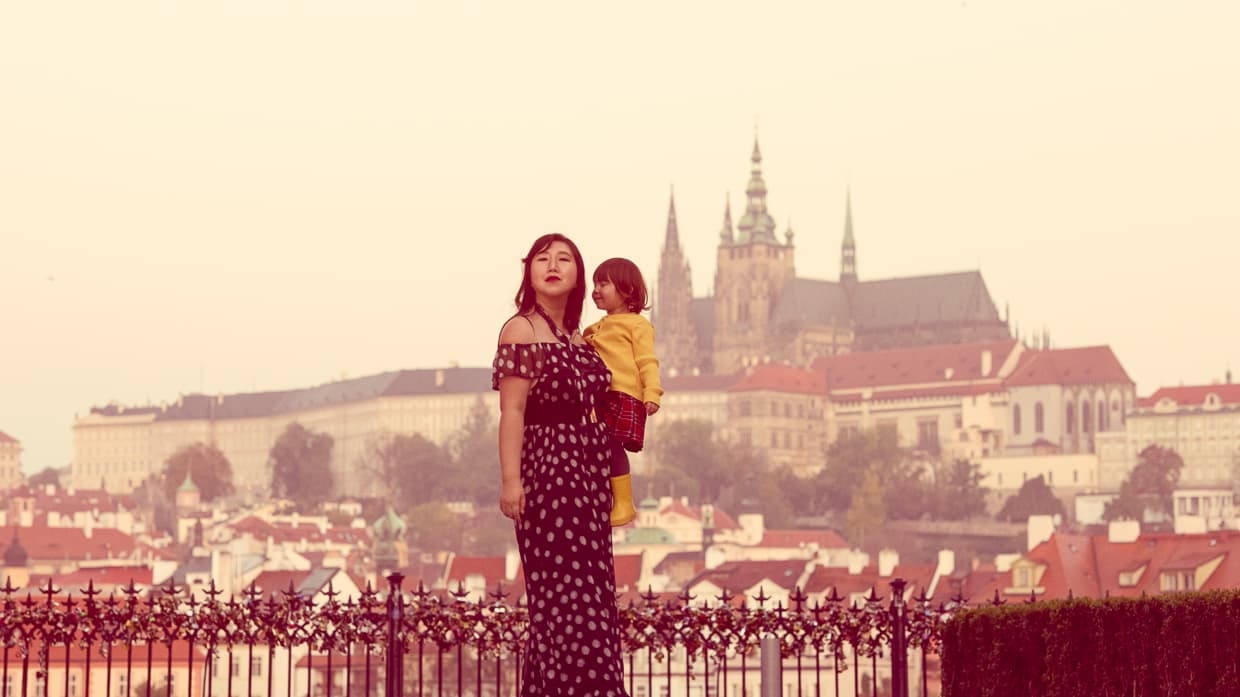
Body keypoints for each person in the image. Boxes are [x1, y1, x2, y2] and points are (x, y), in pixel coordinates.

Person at [492, 233, 630, 697]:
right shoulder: (521, 330)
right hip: (548, 470)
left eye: (564, 259)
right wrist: (512, 482)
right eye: (542, 258)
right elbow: (511, 411)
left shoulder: (580, 337)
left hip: (588, 475)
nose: (553, 265)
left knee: (593, 595)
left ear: (578, 275)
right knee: (563, 600)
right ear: (529, 272)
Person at [582, 258, 663, 527]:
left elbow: (647, 361)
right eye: (594, 283)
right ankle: (605, 492)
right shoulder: (597, 328)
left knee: (611, 445)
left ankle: (625, 503)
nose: (595, 289)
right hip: (601, 395)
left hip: (622, 394)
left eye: (603, 283)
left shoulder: (637, 325)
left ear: (627, 291)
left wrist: (652, 392)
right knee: (598, 445)